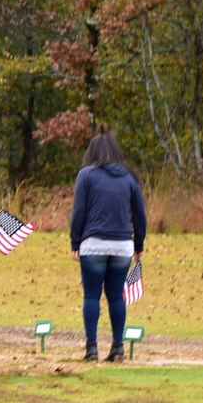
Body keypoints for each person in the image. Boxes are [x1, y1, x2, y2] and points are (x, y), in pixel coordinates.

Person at [68, 131, 147, 362]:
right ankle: (118, 347)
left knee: (91, 296)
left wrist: (75, 241)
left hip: (93, 244)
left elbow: (79, 212)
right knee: (116, 296)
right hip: (123, 244)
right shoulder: (129, 178)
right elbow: (140, 215)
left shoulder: (86, 175)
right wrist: (138, 243)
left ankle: (91, 348)